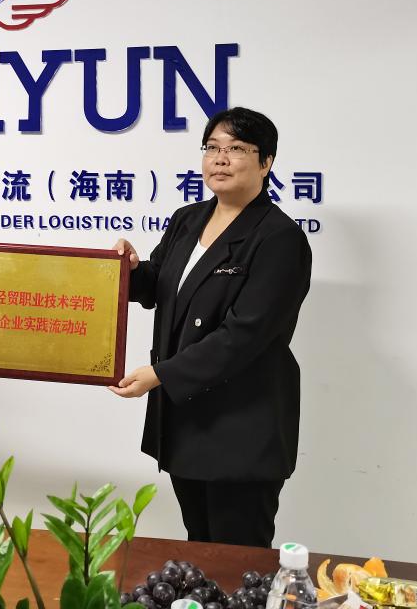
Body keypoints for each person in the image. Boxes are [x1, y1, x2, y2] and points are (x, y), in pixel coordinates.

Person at [110, 106, 312, 547]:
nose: (220, 158)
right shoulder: (188, 219)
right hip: (185, 421)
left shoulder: (279, 238)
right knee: (199, 549)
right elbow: (159, 285)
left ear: (266, 163)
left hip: (241, 426)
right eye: (212, 147)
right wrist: (130, 270)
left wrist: (161, 374)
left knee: (238, 560)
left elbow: (244, 335)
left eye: (236, 148)